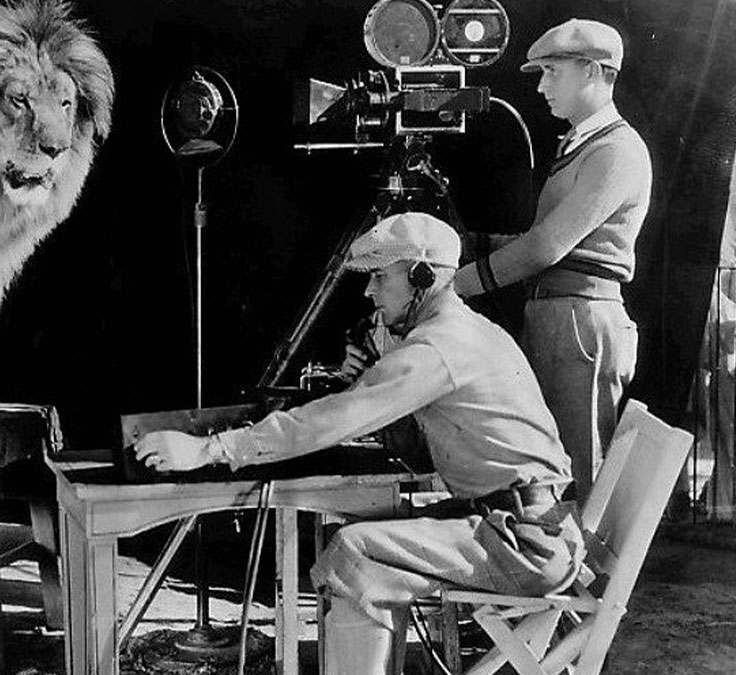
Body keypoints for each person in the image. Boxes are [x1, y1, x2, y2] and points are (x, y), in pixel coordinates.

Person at [135, 212, 584, 675]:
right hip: (519, 527)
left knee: (355, 551)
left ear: (421, 277)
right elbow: (419, 449)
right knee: (358, 552)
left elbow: (333, 421)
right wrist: (374, 370)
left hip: (523, 545)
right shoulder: (460, 332)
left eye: (379, 277)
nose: (369, 292)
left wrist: (210, 449)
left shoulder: (438, 349)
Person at [452, 18, 652, 501]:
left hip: (580, 324)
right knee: (552, 469)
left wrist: (459, 284)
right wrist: (470, 244)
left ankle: (577, 575)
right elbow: (541, 243)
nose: (541, 87)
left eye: (551, 72)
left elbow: (546, 248)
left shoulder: (617, 151)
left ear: (591, 71)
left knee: (578, 475)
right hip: (556, 317)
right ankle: (562, 569)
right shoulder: (582, 146)